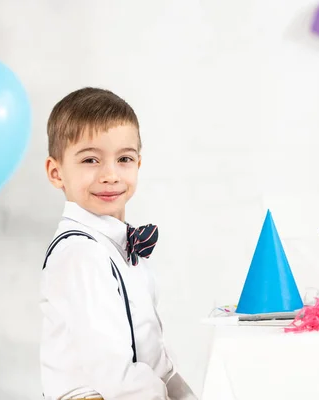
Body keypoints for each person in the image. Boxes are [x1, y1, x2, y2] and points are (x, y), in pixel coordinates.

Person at [40, 87, 197, 400]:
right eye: (90, 160)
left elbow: (154, 355)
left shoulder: (120, 244)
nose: (110, 175)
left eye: (124, 159)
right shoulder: (80, 254)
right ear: (57, 173)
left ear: (138, 164)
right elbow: (113, 375)